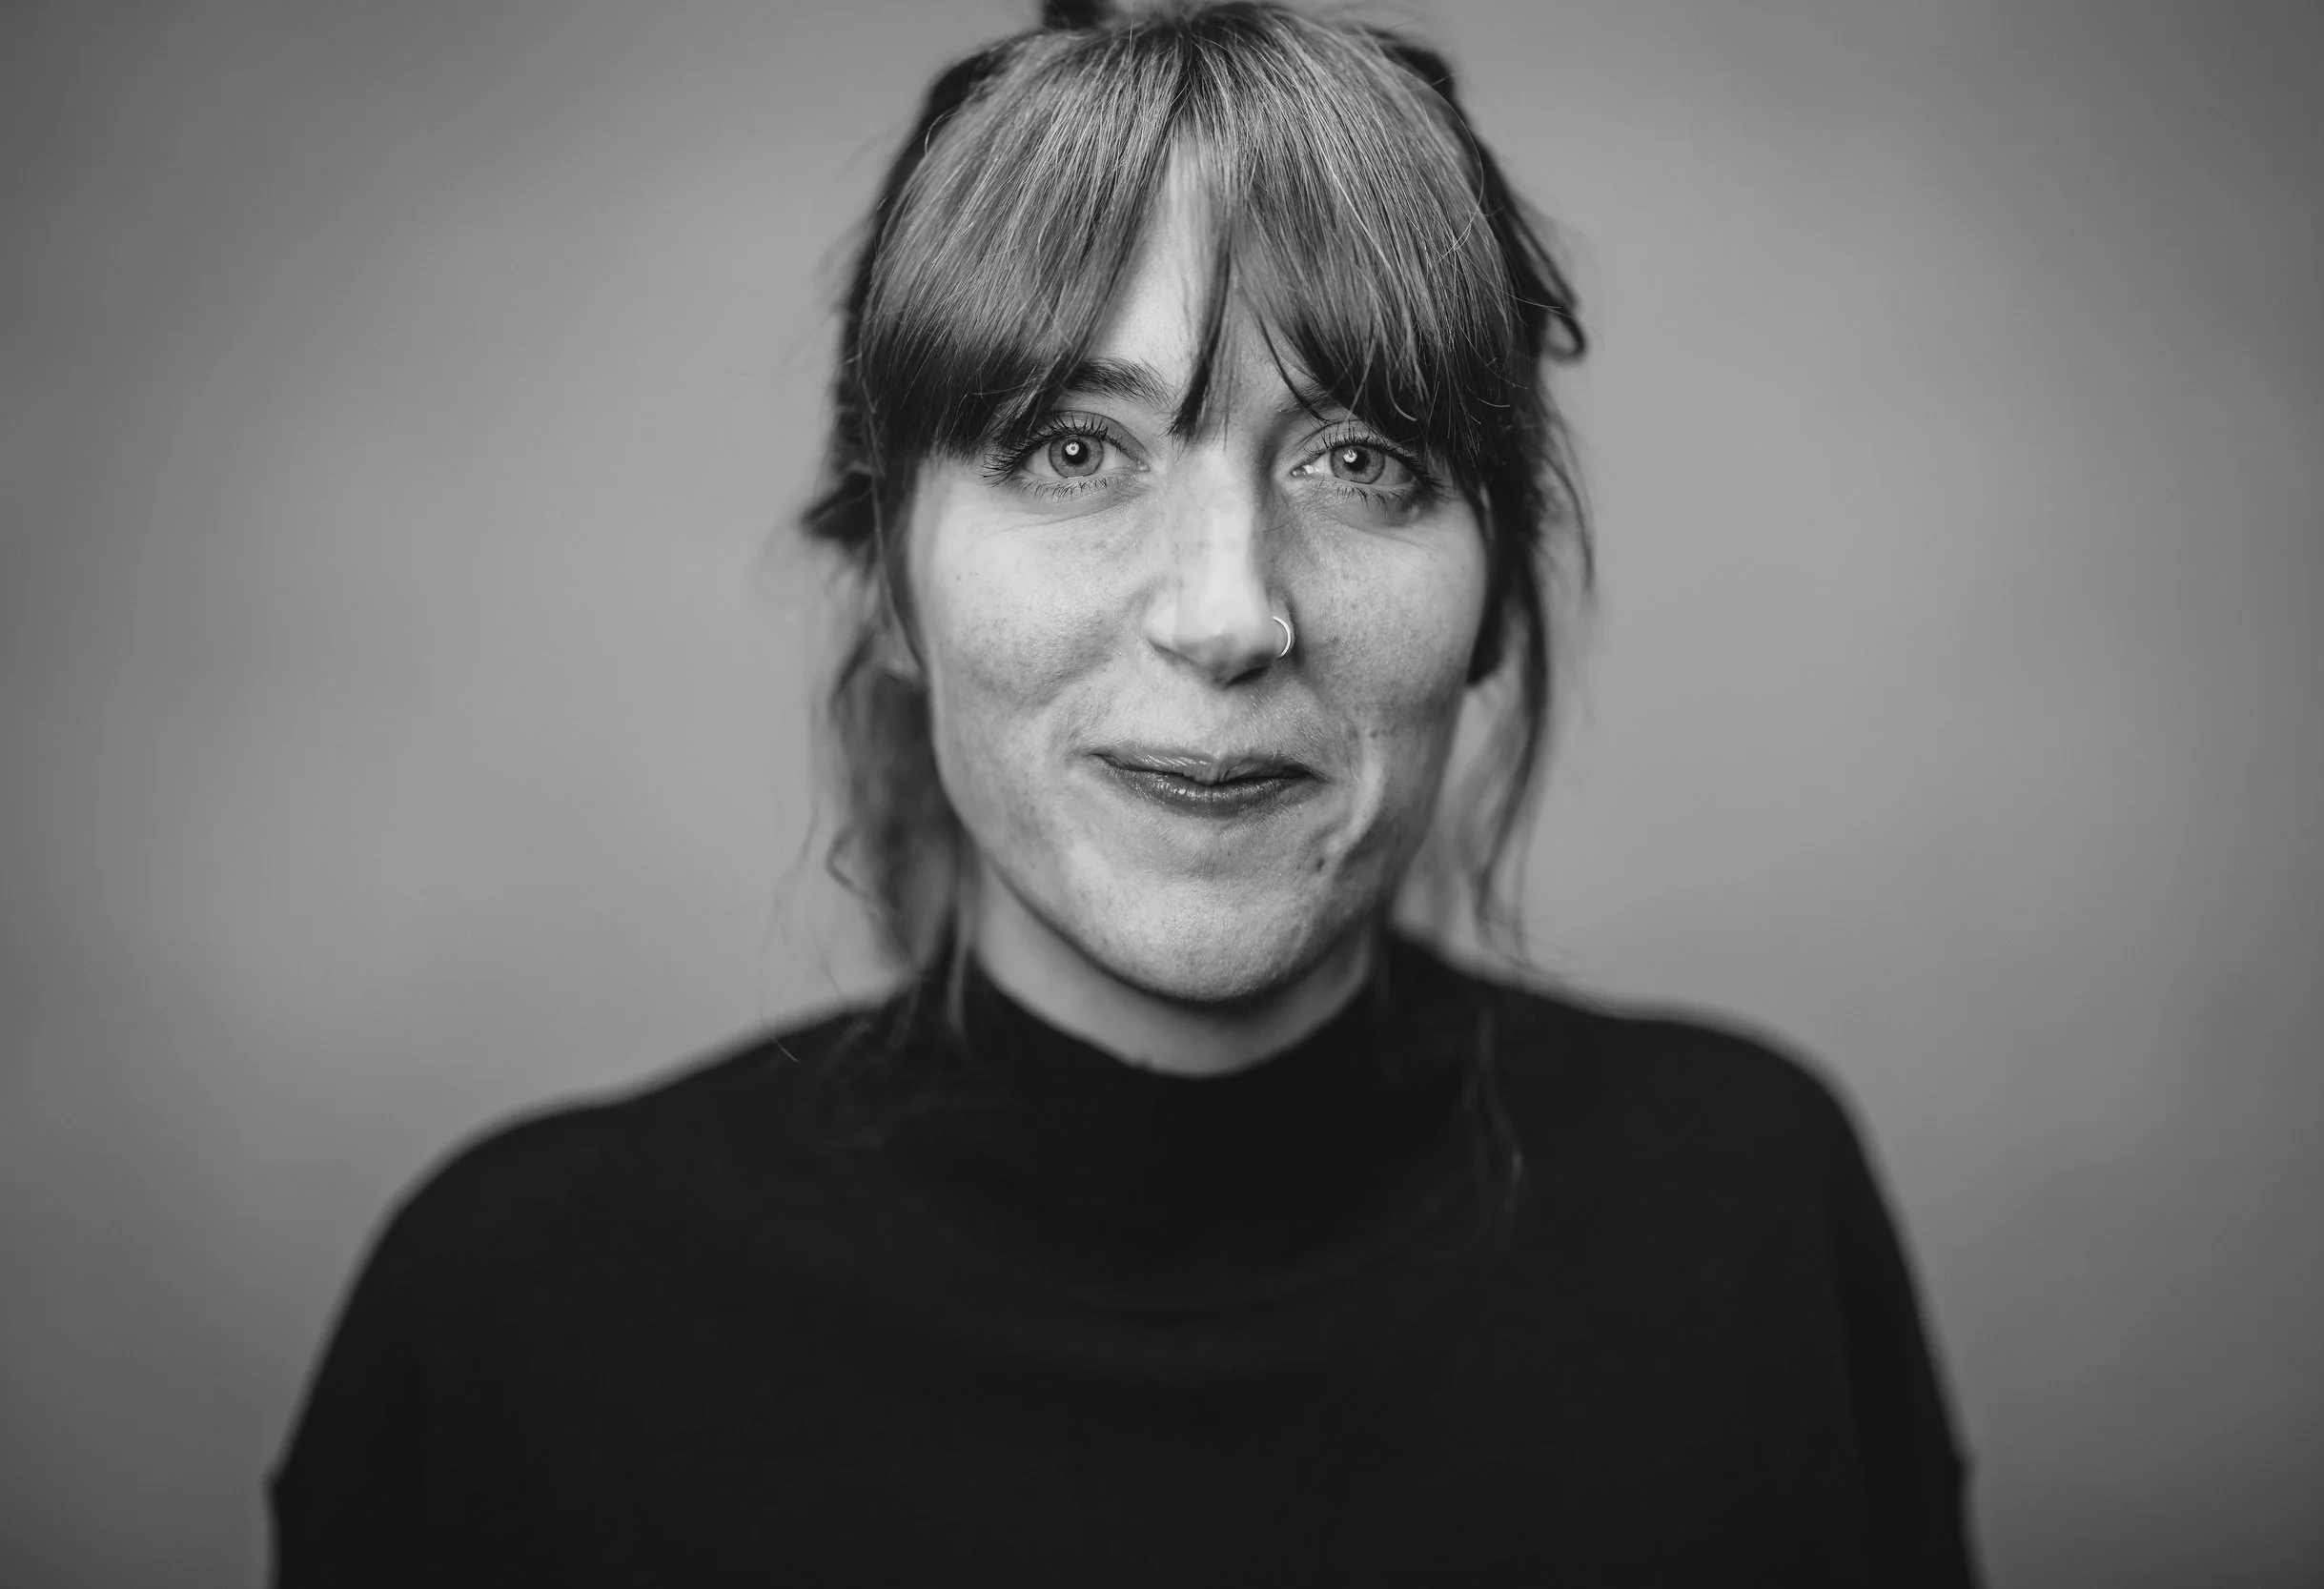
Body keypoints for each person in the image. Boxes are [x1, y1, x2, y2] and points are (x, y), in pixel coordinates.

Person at [269, 2, 1979, 1583]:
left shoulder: (1747, 1222)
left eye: (1363, 460)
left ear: (1495, 605)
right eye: (1073, 451)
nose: (1230, 613)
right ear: (887, 584)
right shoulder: (511, 1324)